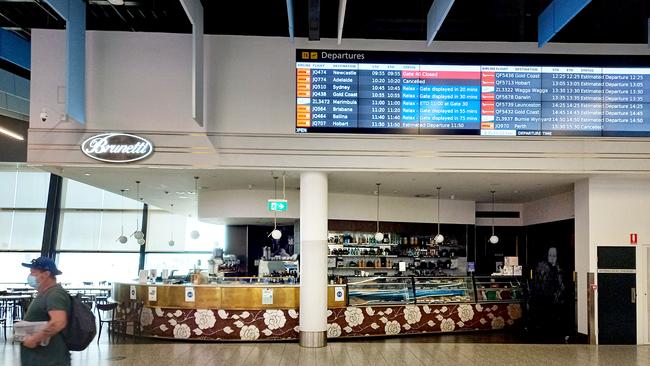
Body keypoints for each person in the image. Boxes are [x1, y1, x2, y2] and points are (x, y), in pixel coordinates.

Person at [20, 256, 71, 366]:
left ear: (46, 274)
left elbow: (58, 322)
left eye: (34, 272)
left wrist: (34, 339)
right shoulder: (44, 293)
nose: (30, 276)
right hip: (40, 359)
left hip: (50, 360)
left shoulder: (55, 294)